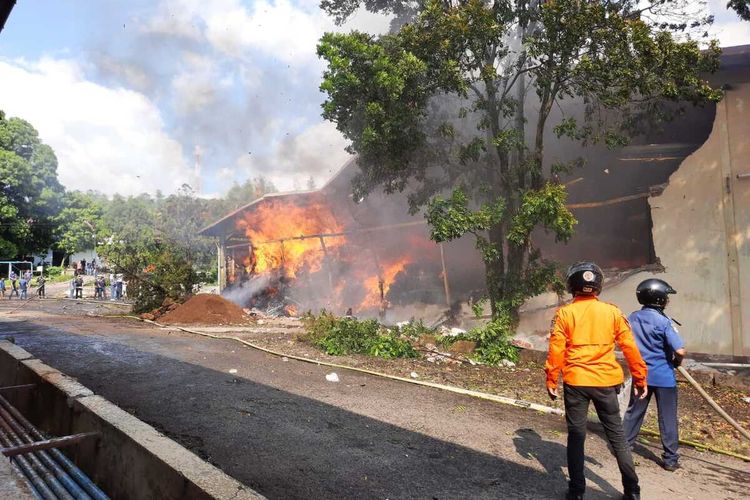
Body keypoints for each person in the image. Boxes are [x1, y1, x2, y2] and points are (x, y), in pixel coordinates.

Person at [545, 261, 648, 500]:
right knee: (618, 437)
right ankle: (632, 491)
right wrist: (640, 378)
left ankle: (577, 491)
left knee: (576, 436)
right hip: (605, 382)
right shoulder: (613, 312)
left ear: (572, 286)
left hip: (576, 382)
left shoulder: (564, 314)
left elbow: (556, 351)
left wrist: (551, 380)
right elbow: (630, 348)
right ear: (598, 285)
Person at [623, 278, 686, 472]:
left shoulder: (632, 317)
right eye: (666, 296)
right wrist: (677, 362)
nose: (667, 300)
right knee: (667, 417)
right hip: (664, 378)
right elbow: (680, 351)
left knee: (634, 413)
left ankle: (623, 449)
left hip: (640, 375)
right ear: (659, 299)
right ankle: (670, 459)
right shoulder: (663, 321)